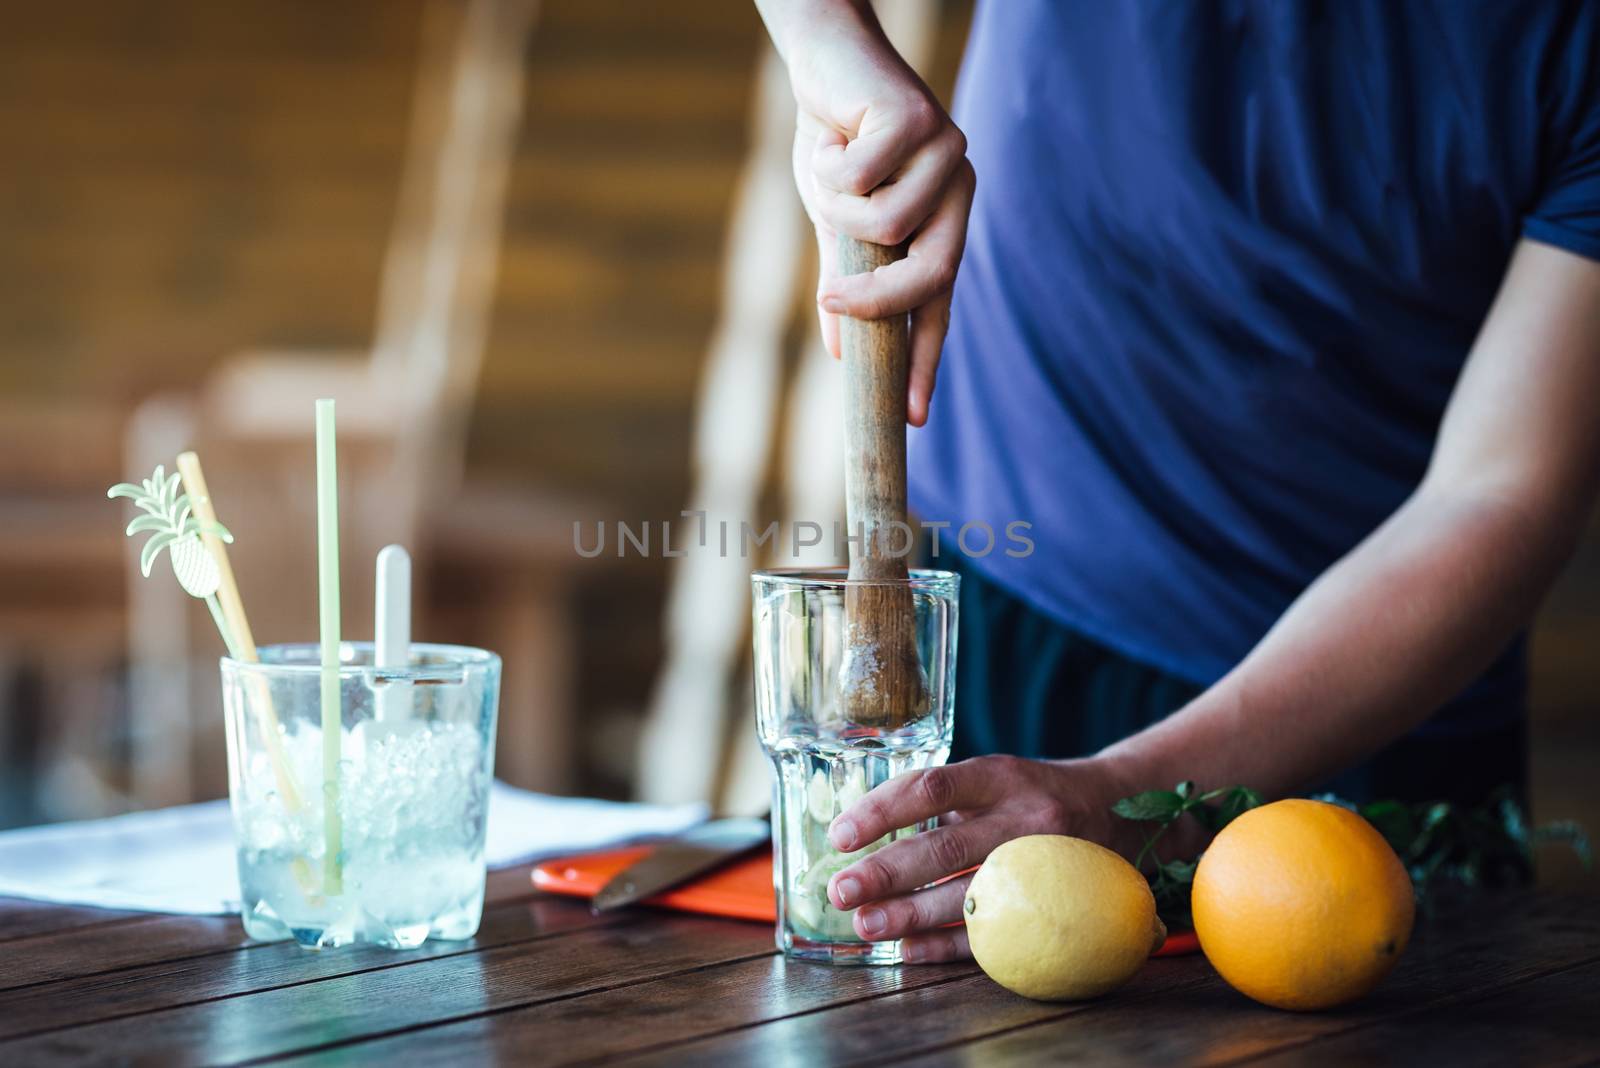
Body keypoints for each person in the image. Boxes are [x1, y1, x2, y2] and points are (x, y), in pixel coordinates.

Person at [753, 0, 1600, 963]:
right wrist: (829, 47)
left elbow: (1502, 495)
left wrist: (1125, 792)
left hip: (1367, 709)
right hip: (1003, 634)